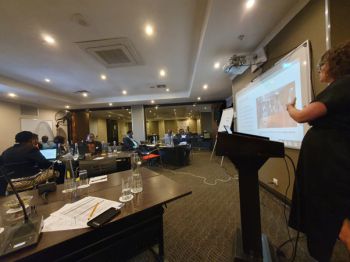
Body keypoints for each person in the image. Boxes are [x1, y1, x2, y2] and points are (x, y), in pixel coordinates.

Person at [286, 40, 350, 261]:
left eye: (322, 64)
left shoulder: (343, 85)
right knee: (334, 221)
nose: (320, 69)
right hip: (329, 163)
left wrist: (290, 107)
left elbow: (302, 116)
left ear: (334, 65)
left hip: (329, 167)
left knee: (332, 220)